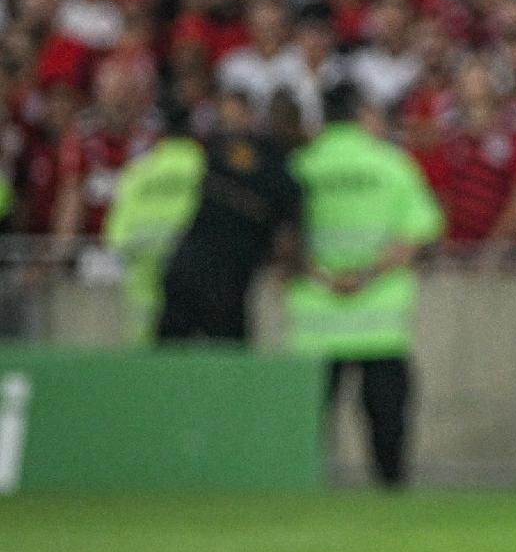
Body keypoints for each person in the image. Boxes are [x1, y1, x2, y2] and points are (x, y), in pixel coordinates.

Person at [286, 82, 444, 488]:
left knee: (310, 418)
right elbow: (419, 233)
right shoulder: (391, 164)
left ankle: (303, 485)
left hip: (315, 315)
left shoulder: (302, 165)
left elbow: (283, 241)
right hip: (381, 316)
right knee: (386, 413)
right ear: (362, 115)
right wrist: (366, 277)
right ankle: (390, 487)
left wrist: (325, 277)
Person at [154, 90, 305, 343]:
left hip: (214, 272)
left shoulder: (244, 155)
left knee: (188, 358)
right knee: (203, 358)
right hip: (207, 271)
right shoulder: (232, 154)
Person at [102, 103, 204, 344]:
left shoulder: (139, 171)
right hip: (194, 266)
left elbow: (114, 235)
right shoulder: (206, 170)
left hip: (143, 268)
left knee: (144, 328)